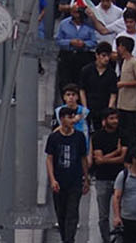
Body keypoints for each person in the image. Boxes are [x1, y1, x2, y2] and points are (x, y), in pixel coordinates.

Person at [46, 104, 90, 243]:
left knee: (72, 212)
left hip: (75, 181)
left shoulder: (79, 137)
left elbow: (83, 158)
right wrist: (52, 179)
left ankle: (69, 239)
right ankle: (65, 238)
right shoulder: (54, 138)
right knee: (61, 213)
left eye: (72, 117)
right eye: (68, 117)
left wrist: (86, 178)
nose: (72, 120)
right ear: (62, 119)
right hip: (59, 181)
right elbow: (49, 159)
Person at [90, 109, 126, 243]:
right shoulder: (97, 136)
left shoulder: (123, 134)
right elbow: (97, 159)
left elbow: (123, 158)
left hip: (120, 177)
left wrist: (105, 159)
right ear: (105, 121)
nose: (115, 121)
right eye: (111, 118)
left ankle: (121, 238)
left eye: (116, 118)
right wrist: (116, 151)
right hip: (102, 178)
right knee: (103, 215)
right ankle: (106, 239)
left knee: (122, 212)